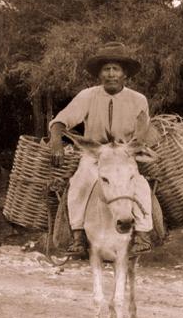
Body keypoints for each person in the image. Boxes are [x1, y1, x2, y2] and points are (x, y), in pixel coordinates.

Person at [48, 41, 158, 255]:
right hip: (95, 153)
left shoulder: (138, 99)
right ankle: (78, 236)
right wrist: (56, 142)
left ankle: (143, 235)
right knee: (80, 182)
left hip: (125, 154)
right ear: (99, 74)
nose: (111, 74)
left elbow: (142, 130)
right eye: (106, 69)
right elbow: (62, 120)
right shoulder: (87, 96)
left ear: (124, 74)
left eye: (115, 69)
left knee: (139, 184)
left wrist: (133, 148)